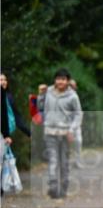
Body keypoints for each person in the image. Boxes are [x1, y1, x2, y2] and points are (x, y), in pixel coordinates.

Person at [39, 68, 83, 199]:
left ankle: (63, 188)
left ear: (68, 81)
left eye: (63, 79)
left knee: (64, 162)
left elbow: (78, 114)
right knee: (53, 160)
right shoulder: (48, 92)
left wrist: (72, 129)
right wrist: (41, 95)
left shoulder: (73, 96)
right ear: (55, 80)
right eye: (58, 79)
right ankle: (53, 187)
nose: (60, 82)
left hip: (65, 133)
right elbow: (40, 107)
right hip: (50, 132)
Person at [1, 71, 32, 197]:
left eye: (4, 80)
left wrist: (28, 132)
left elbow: (16, 117)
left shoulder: (8, 97)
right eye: (0, 79)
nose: (3, 82)